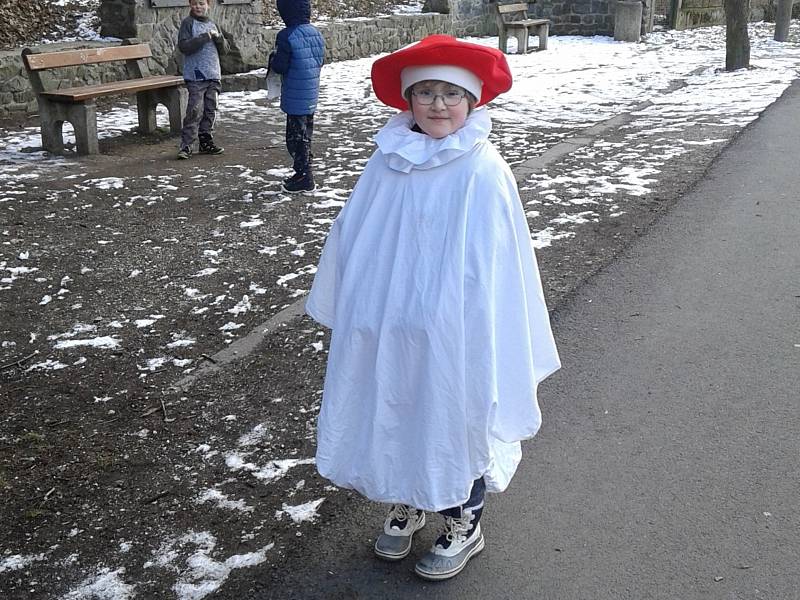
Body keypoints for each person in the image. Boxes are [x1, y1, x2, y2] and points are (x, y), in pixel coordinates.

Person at [305, 35, 561, 581]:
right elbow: (355, 233)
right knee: (395, 405)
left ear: (472, 101)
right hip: (388, 322)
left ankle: (463, 519)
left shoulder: (482, 169)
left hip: (453, 327)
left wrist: (468, 318)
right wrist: (351, 302)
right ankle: (408, 498)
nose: (438, 105)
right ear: (408, 101)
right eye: (425, 93)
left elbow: (496, 259)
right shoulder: (386, 162)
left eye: (451, 93)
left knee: (451, 410)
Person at [270, 0, 325, 193]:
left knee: (296, 138)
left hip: (295, 94)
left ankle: (304, 176)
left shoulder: (286, 35)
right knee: (306, 133)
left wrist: (272, 58)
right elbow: (322, 60)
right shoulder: (316, 33)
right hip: (310, 91)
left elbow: (280, 66)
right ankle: (304, 169)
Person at [176, 0, 229, 160]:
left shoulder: (213, 24)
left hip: (213, 74)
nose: (197, 7)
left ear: (208, 5)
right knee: (194, 110)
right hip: (195, 75)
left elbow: (225, 50)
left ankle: (206, 141)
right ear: (190, 5)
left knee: (210, 109)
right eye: (194, 4)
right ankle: (186, 145)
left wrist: (219, 39)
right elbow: (184, 47)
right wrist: (204, 37)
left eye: (201, 3)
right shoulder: (188, 23)